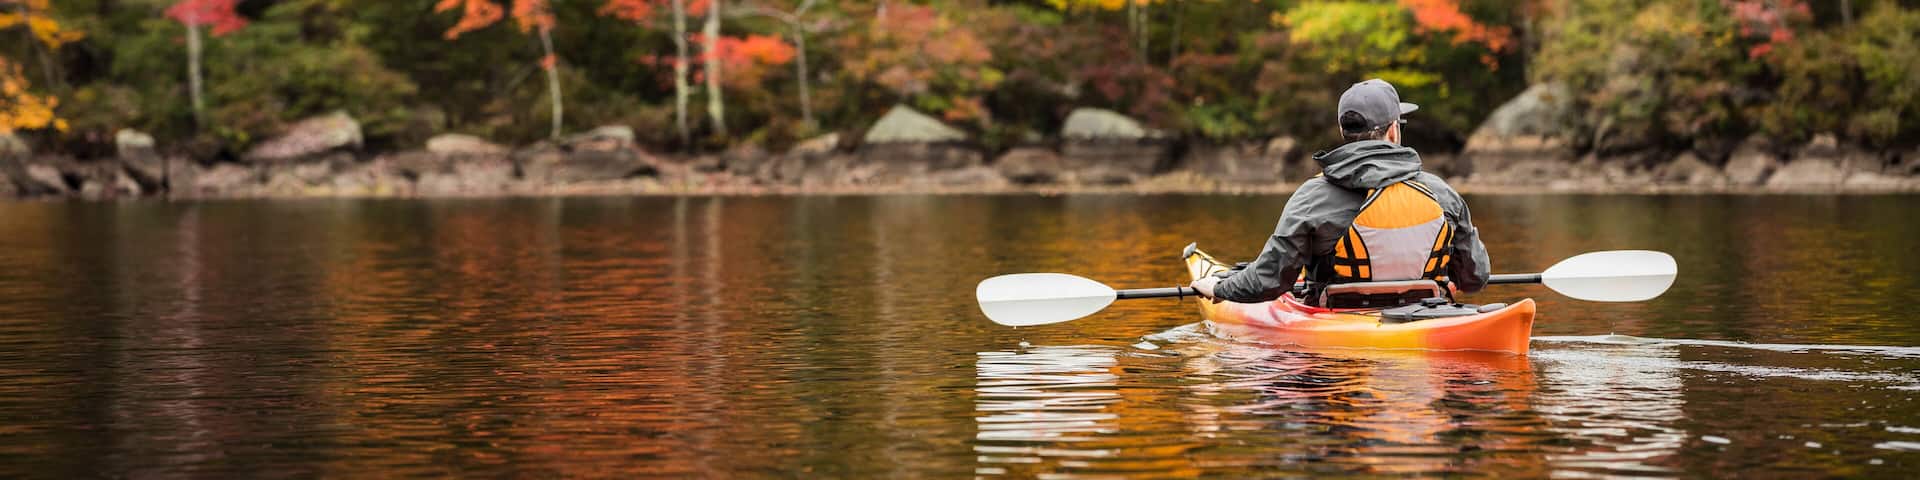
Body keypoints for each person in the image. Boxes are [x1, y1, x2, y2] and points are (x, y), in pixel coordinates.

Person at [1190, 79, 1490, 307]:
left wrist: (1219, 288)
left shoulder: (1311, 198)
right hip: (1426, 315)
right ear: (1393, 132)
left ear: (1343, 132)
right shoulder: (1443, 194)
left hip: (1337, 331)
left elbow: (1267, 281)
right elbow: (1475, 278)